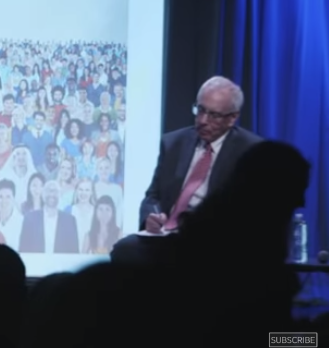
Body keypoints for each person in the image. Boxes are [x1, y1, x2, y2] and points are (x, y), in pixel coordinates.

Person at [110, 76, 261, 264]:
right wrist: (151, 217)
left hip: (215, 240)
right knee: (125, 250)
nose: (203, 120)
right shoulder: (173, 143)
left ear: (232, 118)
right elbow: (153, 196)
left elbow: (251, 212)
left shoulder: (250, 151)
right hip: (167, 234)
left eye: (213, 115)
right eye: (200, 110)